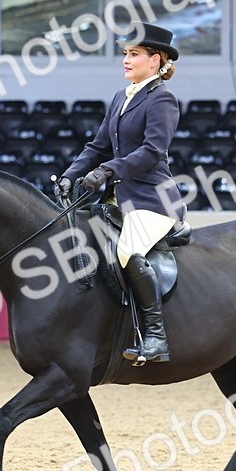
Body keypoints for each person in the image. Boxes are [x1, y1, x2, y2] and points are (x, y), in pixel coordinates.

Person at [57, 22, 184, 364]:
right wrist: (71, 175)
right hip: (118, 197)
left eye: (134, 55)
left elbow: (152, 151)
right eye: (125, 54)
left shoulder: (163, 99)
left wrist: (108, 170)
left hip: (153, 200)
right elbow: (98, 145)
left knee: (127, 251)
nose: (126, 60)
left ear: (156, 60)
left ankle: (156, 337)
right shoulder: (120, 97)